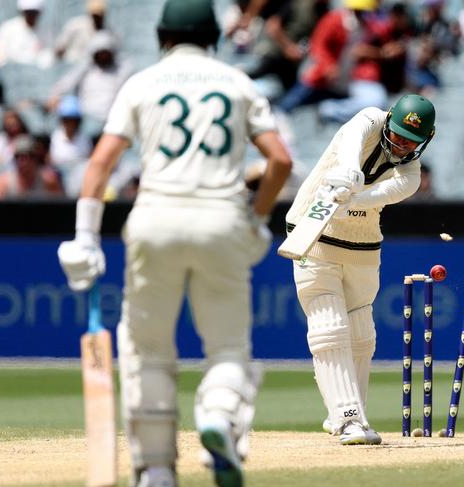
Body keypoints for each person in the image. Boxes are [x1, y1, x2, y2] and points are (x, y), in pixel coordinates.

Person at [56, 1, 292, 486]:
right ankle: (220, 416)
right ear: (214, 38)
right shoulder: (238, 84)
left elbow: (99, 163)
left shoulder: (141, 83)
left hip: (154, 220)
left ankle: (158, 470)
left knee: (146, 352)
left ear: (163, 36)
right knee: (229, 348)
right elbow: (281, 162)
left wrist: (85, 235)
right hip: (221, 222)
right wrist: (259, 219)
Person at [285, 94, 435, 445]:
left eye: (410, 141)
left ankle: (348, 414)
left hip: (364, 247)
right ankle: (348, 419)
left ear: (426, 140)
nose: (400, 145)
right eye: (397, 135)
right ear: (388, 123)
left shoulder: (409, 177)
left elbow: (375, 197)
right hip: (314, 235)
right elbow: (350, 141)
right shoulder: (368, 120)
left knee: (361, 334)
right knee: (329, 328)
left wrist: (351, 198)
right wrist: (348, 171)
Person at [49, 31, 134, 130]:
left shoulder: (123, 70)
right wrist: (55, 96)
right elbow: (64, 84)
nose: (103, 56)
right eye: (100, 53)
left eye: (105, 53)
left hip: (113, 120)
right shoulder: (85, 68)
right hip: (87, 119)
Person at [0, 134, 63, 198]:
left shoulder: (49, 181)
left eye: (27, 156)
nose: (23, 161)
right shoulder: (4, 183)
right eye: (18, 157)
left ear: (35, 158)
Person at [0, 0, 53, 67]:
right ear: (22, 12)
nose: (31, 16)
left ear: (39, 13)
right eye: (28, 12)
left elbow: (47, 58)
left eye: (34, 12)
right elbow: (0, 57)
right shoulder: (8, 29)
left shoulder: (45, 31)